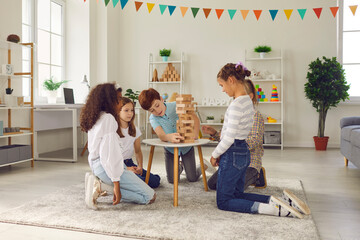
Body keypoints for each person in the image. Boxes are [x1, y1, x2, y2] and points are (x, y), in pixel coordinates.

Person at [210, 62, 308, 218]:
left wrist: (215, 154)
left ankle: (275, 210)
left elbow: (228, 137)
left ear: (231, 80)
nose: (222, 89)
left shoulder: (236, 105)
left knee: (224, 201)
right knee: (237, 194)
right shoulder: (247, 102)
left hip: (232, 152)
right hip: (243, 152)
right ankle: (279, 201)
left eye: (222, 85)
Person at [80, 83, 156, 210]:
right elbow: (109, 156)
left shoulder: (96, 116)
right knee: (150, 196)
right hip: (105, 167)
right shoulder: (108, 119)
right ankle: (104, 187)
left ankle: (101, 185)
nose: (120, 103)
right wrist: (116, 185)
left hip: (96, 165)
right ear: (109, 101)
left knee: (143, 185)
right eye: (118, 100)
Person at [203, 79, 266, 190]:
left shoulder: (256, 116)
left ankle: (258, 174)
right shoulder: (235, 110)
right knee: (213, 184)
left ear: (250, 97)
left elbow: (254, 140)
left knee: (234, 187)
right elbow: (229, 136)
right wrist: (214, 133)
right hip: (233, 159)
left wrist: (232, 147)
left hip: (249, 161)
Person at [138, 88, 204, 184]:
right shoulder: (153, 118)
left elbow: (195, 118)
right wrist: (169, 137)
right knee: (172, 180)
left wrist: (195, 133)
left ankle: (202, 166)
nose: (157, 111)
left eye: (157, 105)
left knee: (192, 178)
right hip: (170, 150)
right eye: (152, 110)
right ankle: (180, 166)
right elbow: (161, 135)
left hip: (186, 147)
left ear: (161, 99)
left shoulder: (176, 105)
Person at [118, 97, 161, 188]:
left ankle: (131, 180)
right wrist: (126, 169)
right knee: (140, 183)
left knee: (155, 181)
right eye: (126, 110)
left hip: (129, 162)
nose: (130, 113)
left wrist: (140, 166)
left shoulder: (134, 129)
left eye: (132, 110)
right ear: (118, 111)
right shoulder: (113, 131)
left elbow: (137, 151)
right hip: (118, 165)